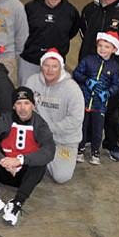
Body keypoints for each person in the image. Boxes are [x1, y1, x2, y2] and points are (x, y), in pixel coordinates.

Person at [0, 87, 55, 226]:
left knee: (40, 162)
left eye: (26, 103)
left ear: (33, 105)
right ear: (13, 106)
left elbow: (49, 150)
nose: (23, 108)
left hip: (24, 175)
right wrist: (2, 160)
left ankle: (17, 202)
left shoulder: (40, 124)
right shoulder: (6, 119)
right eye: (19, 103)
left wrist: (19, 161)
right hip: (5, 169)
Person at [78, 0, 119, 162]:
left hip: (115, 70)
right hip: (91, 67)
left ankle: (111, 143)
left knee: (113, 109)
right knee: (89, 105)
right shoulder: (89, 9)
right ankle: (91, 139)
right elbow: (84, 33)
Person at [26, 49, 84, 182]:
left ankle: (46, 157)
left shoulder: (72, 90)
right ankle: (41, 155)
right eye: (46, 65)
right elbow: (24, 108)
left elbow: (75, 120)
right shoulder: (32, 82)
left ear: (61, 68)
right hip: (37, 136)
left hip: (64, 141)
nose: (50, 70)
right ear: (41, 66)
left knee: (61, 177)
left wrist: (48, 128)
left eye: (54, 66)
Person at [19, 0, 80, 85]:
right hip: (30, 60)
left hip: (55, 63)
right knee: (26, 92)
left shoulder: (70, 12)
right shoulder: (31, 8)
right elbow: (21, 30)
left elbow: (72, 31)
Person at [73, 32, 119, 165]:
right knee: (82, 126)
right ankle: (80, 148)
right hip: (84, 100)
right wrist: (87, 81)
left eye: (107, 47)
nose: (102, 49)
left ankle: (96, 151)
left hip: (100, 104)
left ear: (114, 49)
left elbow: (117, 84)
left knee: (97, 129)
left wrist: (107, 93)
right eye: (100, 45)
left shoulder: (115, 68)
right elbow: (77, 73)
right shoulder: (88, 60)